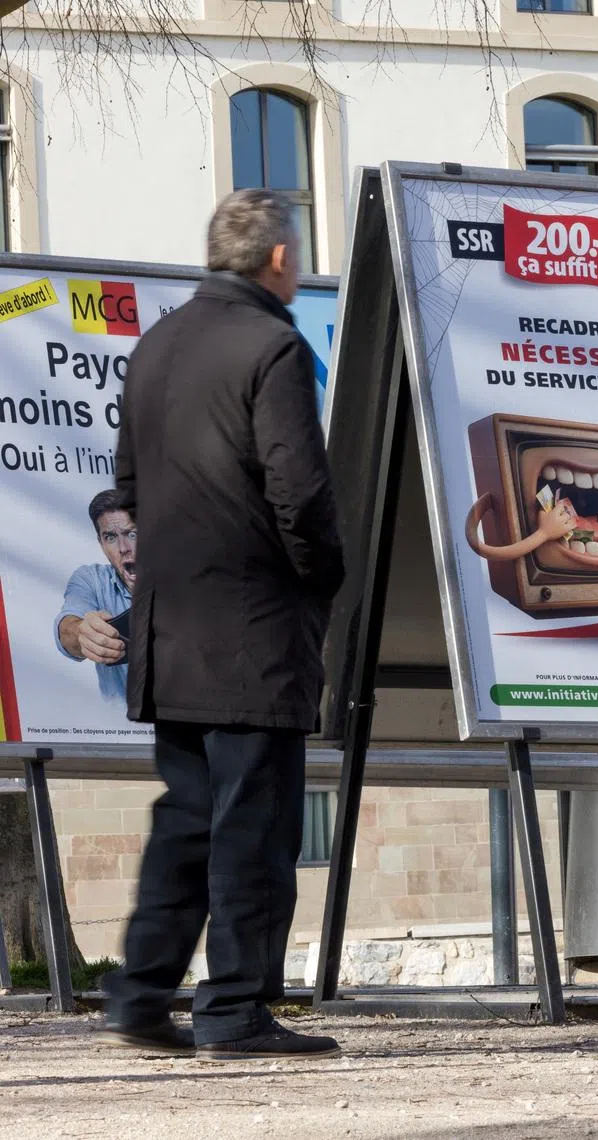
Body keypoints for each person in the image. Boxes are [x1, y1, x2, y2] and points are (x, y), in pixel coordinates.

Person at [100, 189, 345, 1060]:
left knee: (190, 815)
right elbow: (300, 492)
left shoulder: (158, 343)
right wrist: (323, 581)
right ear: (280, 259)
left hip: (171, 630)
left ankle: (139, 992)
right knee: (252, 822)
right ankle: (235, 1010)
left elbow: (127, 484)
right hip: (252, 630)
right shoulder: (274, 346)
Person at [54, 489, 136, 704]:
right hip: (123, 731)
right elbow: (67, 626)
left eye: (133, 534)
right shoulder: (90, 579)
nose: (124, 549)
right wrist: (83, 633)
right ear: (100, 543)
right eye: (110, 537)